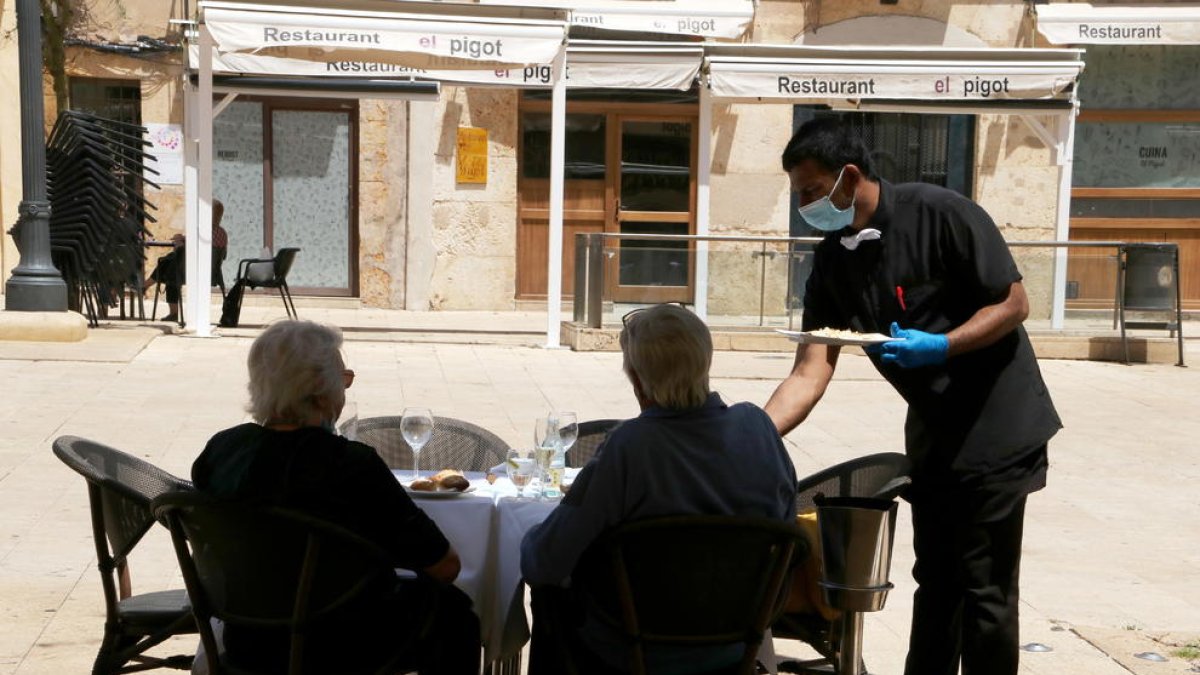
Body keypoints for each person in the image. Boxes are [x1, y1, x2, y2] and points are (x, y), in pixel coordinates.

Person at [764, 118, 1062, 675]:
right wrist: (752, 434)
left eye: (809, 189)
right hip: (933, 434)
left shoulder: (944, 213)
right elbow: (810, 368)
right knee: (936, 583)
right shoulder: (834, 258)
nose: (803, 203)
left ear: (848, 177)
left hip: (997, 427)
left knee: (984, 591)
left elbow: (1014, 303)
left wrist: (943, 346)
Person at [521, 303, 798, 674]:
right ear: (705, 362)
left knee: (549, 592)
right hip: (734, 642)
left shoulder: (631, 446)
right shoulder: (757, 427)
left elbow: (544, 562)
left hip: (635, 648)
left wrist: (524, 537)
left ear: (636, 378)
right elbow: (784, 525)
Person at [191, 320, 480, 674]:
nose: (344, 392)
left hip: (247, 637)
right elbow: (445, 567)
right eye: (343, 380)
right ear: (321, 392)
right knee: (454, 613)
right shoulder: (350, 464)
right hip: (342, 645)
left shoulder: (223, 450)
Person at [148, 199, 228, 322]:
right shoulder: (223, 233)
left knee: (169, 268)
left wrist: (179, 242)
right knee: (168, 263)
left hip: (191, 273)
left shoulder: (200, 231)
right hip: (212, 274)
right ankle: (148, 283)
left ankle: (172, 311)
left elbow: (184, 250)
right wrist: (186, 239)